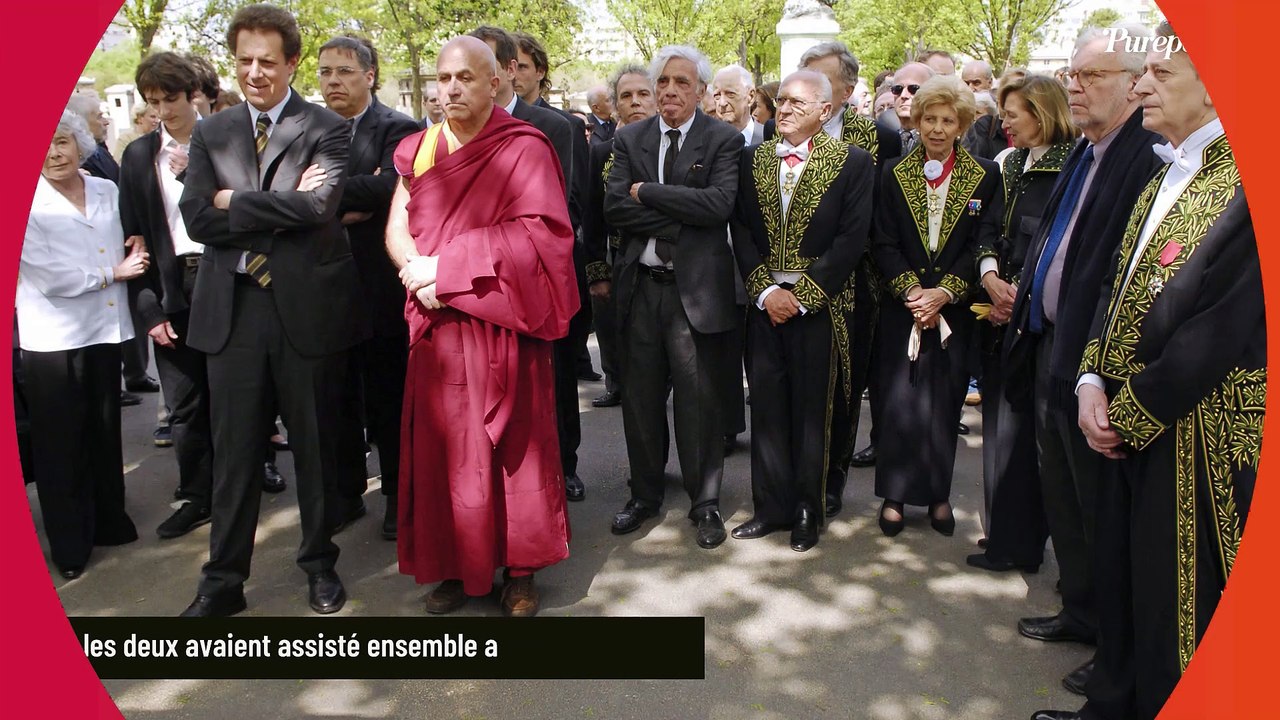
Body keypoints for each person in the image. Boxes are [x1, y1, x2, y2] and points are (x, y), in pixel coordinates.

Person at [1035, 22, 1264, 720]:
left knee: (1178, 598)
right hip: (1127, 417)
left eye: (1160, 77)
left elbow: (1219, 327)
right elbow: (1114, 283)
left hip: (1198, 432)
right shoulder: (1170, 167)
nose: (1141, 87)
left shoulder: (1248, 181)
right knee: (1127, 580)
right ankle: (1111, 703)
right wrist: (1090, 383)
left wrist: (1127, 413)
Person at [177, 2, 367, 617]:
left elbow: (319, 211)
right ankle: (221, 583)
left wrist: (237, 201)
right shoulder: (212, 130)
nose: (255, 72)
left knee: (313, 447)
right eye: (244, 61)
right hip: (232, 312)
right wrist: (275, 203)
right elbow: (198, 217)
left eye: (267, 61)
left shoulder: (326, 127)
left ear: (291, 63)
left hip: (305, 312)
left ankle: (319, 566)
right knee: (234, 456)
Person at [386, 35, 578, 618]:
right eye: (442, 79)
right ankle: (453, 567)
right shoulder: (419, 151)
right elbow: (398, 227)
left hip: (503, 324)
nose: (450, 89)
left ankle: (520, 572)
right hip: (439, 328)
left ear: (496, 82)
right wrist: (414, 269)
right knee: (446, 451)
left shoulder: (523, 147)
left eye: (464, 78)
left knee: (512, 451)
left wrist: (446, 267)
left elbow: (543, 237)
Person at [1002, 24, 1162, 697]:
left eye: (1090, 75)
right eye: (1072, 73)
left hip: (1091, 362)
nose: (1074, 84)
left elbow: (1115, 276)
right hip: (1050, 346)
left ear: (1132, 84)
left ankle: (1111, 642)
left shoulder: (1143, 156)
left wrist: (1093, 363)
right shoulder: (1087, 149)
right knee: (1063, 495)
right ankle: (1081, 610)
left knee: (1099, 510)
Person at [604, 45, 744, 549]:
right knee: (639, 399)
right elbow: (615, 208)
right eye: (663, 81)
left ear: (702, 92)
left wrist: (649, 193)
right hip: (641, 289)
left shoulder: (723, 139)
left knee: (698, 403)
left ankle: (704, 503)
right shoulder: (630, 137)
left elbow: (719, 205)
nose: (669, 91)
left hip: (696, 295)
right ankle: (644, 495)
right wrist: (680, 211)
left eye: (682, 83)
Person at [728, 70, 874, 551]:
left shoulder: (853, 162)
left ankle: (809, 509)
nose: (783, 109)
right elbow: (742, 230)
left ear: (825, 111)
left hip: (821, 308)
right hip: (765, 304)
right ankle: (770, 507)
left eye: (795, 102)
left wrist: (805, 295)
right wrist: (767, 293)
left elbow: (852, 239)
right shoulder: (752, 159)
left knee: (814, 409)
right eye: (780, 101)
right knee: (768, 404)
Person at [871, 75, 999, 537]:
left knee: (943, 404)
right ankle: (894, 495)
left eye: (948, 120)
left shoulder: (986, 174)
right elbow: (881, 241)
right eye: (930, 119)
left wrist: (945, 293)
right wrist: (911, 293)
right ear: (918, 121)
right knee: (898, 401)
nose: (938, 128)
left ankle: (938, 494)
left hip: (954, 310)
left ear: (962, 124)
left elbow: (984, 242)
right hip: (902, 308)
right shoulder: (891, 172)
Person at [20, 109, 145, 579]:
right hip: (53, 338)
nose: (53, 154)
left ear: (80, 145)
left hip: (104, 328)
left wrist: (134, 247)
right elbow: (47, 276)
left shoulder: (105, 188)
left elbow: (125, 240)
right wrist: (114, 272)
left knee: (103, 428)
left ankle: (108, 520)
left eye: (62, 142)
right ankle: (70, 543)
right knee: (59, 443)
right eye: (42, 145)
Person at [470, 26, 588, 503]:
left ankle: (566, 465)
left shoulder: (552, 127)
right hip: (475, 279)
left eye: (481, 67)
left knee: (554, 379)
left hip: (537, 276)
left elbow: (566, 205)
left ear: (509, 71)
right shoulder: (452, 130)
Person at [967, 75, 1076, 573]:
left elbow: (1056, 246)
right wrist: (990, 277)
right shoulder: (1010, 164)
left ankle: (1023, 542)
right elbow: (988, 229)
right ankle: (1004, 537)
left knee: (1029, 439)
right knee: (999, 429)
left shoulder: (1070, 165)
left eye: (1013, 114)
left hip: (1033, 321)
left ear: (1042, 112)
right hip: (996, 311)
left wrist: (1021, 296)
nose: (1003, 122)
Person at [317, 35, 420, 539]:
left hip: (380, 289)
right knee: (334, 398)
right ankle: (345, 493)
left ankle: (400, 496)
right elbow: (286, 195)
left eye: (343, 71)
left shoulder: (398, 128)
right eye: (325, 72)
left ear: (370, 75)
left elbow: (392, 188)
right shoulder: (308, 128)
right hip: (324, 287)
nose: (332, 81)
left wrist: (321, 198)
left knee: (389, 398)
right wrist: (345, 205)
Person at [799, 40, 901, 515]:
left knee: (844, 384)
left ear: (847, 88)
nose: (809, 87)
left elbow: (881, 214)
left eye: (821, 78)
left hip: (856, 282)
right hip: (791, 281)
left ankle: (832, 477)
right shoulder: (777, 131)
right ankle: (793, 481)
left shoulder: (876, 135)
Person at [119, 51, 218, 540]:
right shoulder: (137, 156)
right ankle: (197, 494)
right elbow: (132, 237)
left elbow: (245, 212)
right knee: (185, 402)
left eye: (172, 98)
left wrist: (191, 176)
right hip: (172, 283)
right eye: (154, 101)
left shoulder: (223, 139)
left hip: (225, 280)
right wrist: (150, 310)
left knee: (238, 393)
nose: (165, 110)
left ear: (194, 94)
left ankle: (250, 472)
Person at [584, 64, 657, 410]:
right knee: (610, 322)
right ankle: (616, 381)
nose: (636, 102)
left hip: (657, 253)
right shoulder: (601, 151)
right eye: (626, 96)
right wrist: (598, 270)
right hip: (615, 251)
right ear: (614, 105)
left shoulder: (666, 146)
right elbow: (592, 212)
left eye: (644, 94)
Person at [712, 64, 761, 145]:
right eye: (717, 95)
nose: (722, 103)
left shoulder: (770, 139)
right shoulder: (706, 143)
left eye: (730, 94)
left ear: (750, 96)